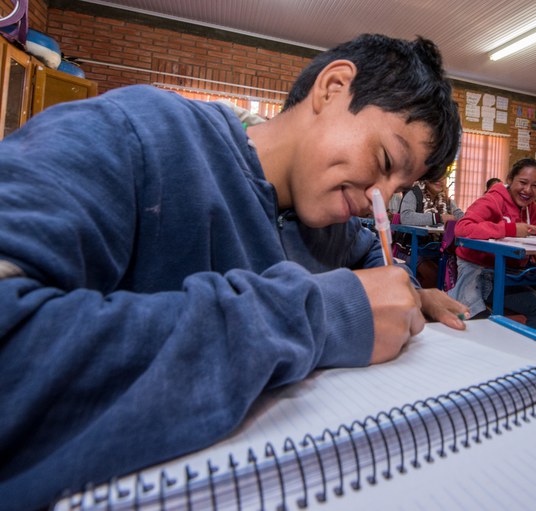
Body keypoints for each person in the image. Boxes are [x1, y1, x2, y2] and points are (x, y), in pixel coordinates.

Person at [0, 34, 470, 510]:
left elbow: (373, 255)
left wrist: (411, 291)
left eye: (399, 187)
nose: (381, 199)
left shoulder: (330, 226)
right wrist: (320, 314)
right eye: (386, 161)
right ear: (333, 88)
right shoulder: (138, 131)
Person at [449, 158, 536, 340]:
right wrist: (510, 229)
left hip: (512, 272)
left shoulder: (530, 208)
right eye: (523, 182)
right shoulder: (492, 200)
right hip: (481, 273)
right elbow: (462, 228)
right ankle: (531, 363)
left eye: (535, 185)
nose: (528, 190)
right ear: (510, 179)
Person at [398, 177, 464, 226]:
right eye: (437, 175)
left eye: (443, 176)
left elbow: (461, 217)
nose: (440, 179)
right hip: (413, 243)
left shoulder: (447, 200)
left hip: (441, 243)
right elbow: (405, 218)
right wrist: (438, 218)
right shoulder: (414, 193)